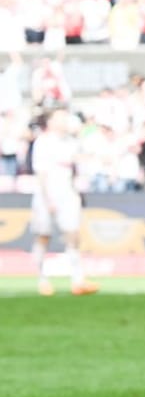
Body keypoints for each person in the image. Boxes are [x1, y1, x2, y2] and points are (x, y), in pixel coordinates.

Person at [28, 108, 97, 296]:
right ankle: (42, 279)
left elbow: (77, 165)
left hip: (68, 192)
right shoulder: (43, 142)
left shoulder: (71, 142)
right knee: (43, 235)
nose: (64, 121)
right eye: (60, 118)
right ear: (50, 122)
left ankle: (78, 280)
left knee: (73, 235)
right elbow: (41, 172)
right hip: (48, 193)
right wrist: (47, 198)